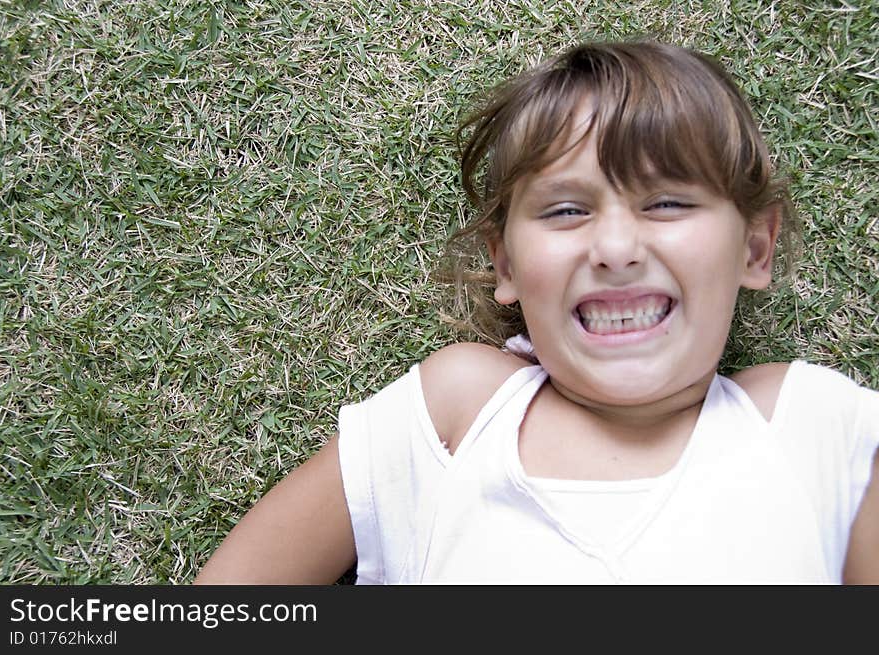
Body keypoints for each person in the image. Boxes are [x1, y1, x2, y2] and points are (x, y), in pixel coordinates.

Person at [194, 40, 879, 584]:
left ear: (755, 247)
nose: (615, 247)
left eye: (667, 202)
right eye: (567, 210)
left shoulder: (812, 427)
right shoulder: (455, 417)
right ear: (508, 266)